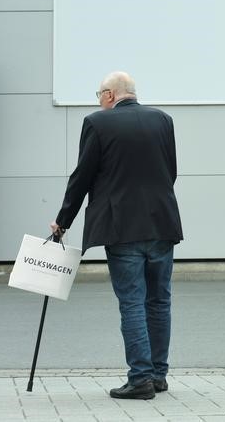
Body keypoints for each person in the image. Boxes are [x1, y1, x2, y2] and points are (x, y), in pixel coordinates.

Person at [49, 72, 183, 400]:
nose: (98, 100)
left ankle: (140, 380)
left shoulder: (98, 124)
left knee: (133, 302)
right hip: (162, 223)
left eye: (99, 94)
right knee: (159, 300)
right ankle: (157, 375)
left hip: (122, 228)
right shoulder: (162, 120)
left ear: (110, 94)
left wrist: (63, 220)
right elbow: (171, 171)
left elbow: (82, 176)